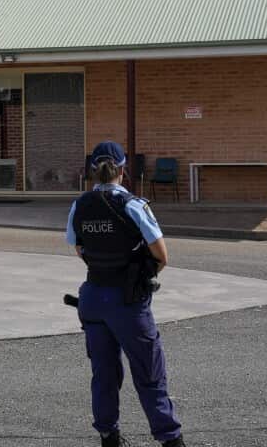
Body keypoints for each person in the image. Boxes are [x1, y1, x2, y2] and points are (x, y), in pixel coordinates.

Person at [66, 141, 185, 447]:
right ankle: (170, 439)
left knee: (103, 373)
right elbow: (161, 255)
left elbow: (79, 247)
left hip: (93, 298)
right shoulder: (133, 205)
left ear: (93, 170)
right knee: (149, 373)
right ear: (122, 169)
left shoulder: (80, 204)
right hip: (127, 301)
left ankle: (108, 436)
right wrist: (138, 277)